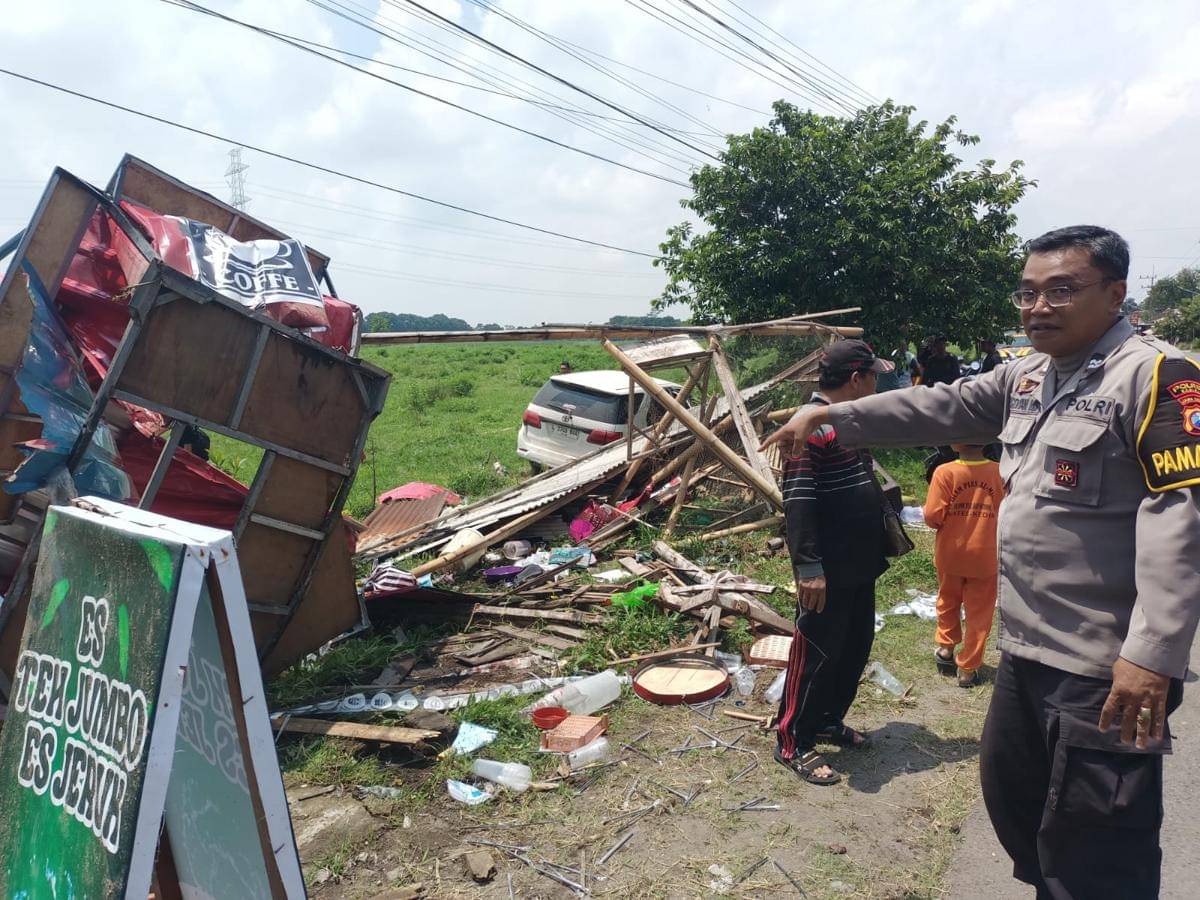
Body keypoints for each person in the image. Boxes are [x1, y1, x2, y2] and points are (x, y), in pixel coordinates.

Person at [763, 225, 1200, 897]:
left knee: (1099, 844)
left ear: (1115, 294)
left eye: (1061, 290)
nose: (1038, 308)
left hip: (1103, 666)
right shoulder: (1027, 372)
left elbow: (1183, 518)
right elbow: (938, 405)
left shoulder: (1156, 375)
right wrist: (829, 419)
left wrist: (1152, 654)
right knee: (1017, 803)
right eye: (1027, 293)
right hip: (1025, 650)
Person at [774, 339, 894, 785]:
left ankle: (826, 718)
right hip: (828, 568)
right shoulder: (809, 428)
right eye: (874, 375)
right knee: (817, 653)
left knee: (854, 646)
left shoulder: (843, 423)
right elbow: (798, 502)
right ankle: (793, 740)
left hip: (858, 563)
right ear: (857, 378)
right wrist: (808, 567)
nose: (878, 382)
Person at [923, 442, 1004, 688]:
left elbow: (932, 516)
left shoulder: (945, 472)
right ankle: (968, 669)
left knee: (947, 600)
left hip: (951, 553)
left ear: (954, 442)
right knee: (980, 612)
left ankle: (946, 649)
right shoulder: (1001, 471)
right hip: (986, 556)